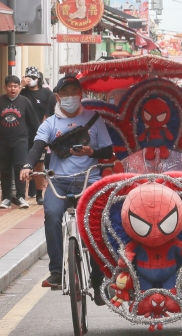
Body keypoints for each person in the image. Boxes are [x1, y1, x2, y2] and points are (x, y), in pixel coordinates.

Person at [20, 75, 113, 299]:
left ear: (81, 95)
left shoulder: (94, 119)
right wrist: (27, 165)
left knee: (96, 223)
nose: (70, 97)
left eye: (74, 92)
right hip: (58, 182)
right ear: (57, 97)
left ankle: (99, 279)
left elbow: (108, 151)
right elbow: (37, 147)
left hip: (89, 180)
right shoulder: (50, 123)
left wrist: (91, 152)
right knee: (52, 215)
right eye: (65, 93)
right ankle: (56, 271)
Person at [0, 75, 38, 209]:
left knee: (20, 168)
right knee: (5, 170)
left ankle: (21, 196)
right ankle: (6, 198)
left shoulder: (25, 102)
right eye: (10, 86)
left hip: (21, 141)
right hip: (2, 141)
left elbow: (34, 122)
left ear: (19, 87)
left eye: (15, 86)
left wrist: (40, 139)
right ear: (5, 87)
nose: (13, 89)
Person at [19, 66, 53, 205]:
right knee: (23, 164)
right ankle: (21, 194)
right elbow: (13, 100)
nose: (31, 80)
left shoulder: (46, 93)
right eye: (28, 77)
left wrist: (45, 132)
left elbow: (49, 113)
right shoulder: (23, 93)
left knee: (39, 164)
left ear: (38, 79)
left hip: (40, 134)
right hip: (23, 134)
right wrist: (21, 85)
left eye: (33, 78)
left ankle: (39, 193)